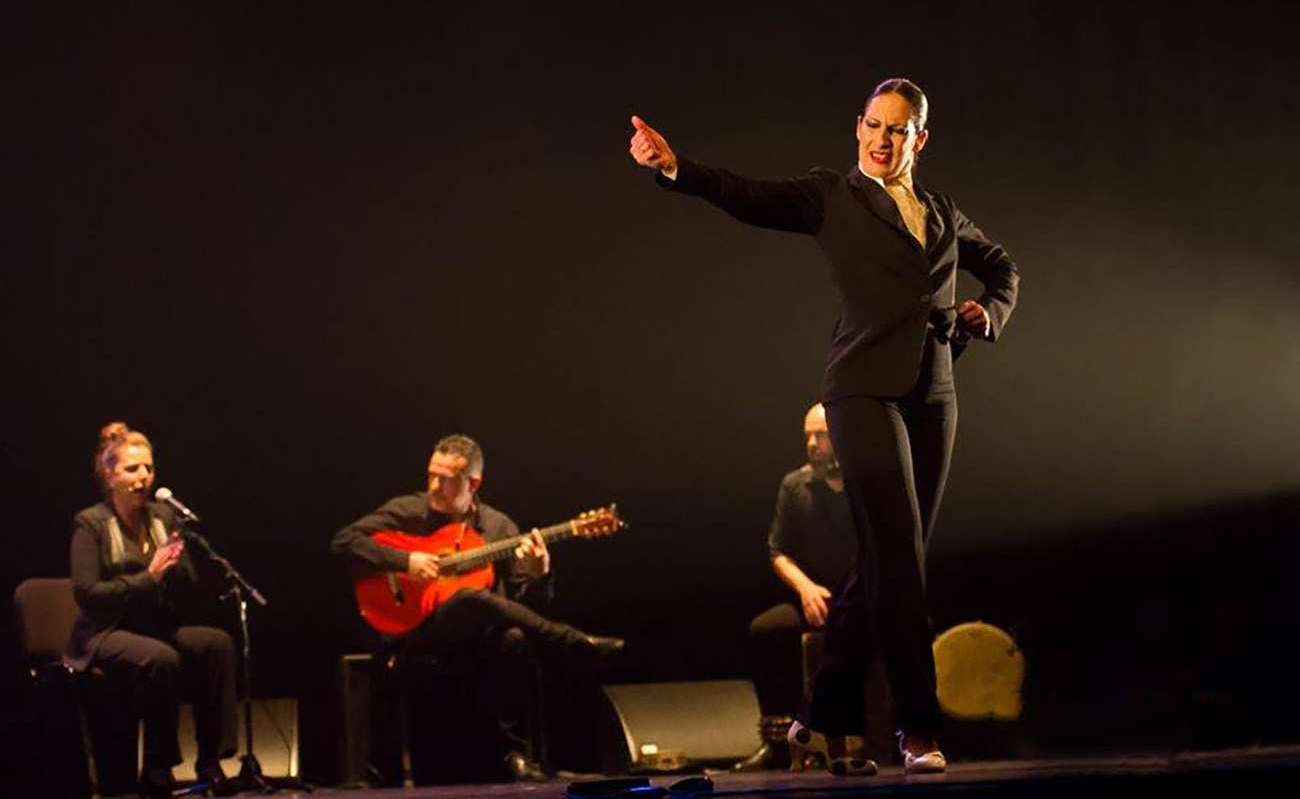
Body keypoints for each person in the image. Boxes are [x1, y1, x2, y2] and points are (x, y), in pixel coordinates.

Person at [629, 77, 1020, 774]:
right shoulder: (829, 196)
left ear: (918, 140)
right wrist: (674, 168)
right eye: (873, 125)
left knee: (888, 562)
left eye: (896, 130)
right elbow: (748, 195)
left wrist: (989, 312)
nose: (880, 139)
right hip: (861, 391)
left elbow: (1002, 266)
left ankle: (816, 717)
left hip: (934, 394)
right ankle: (918, 729)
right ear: (858, 127)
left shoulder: (941, 211)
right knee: (899, 558)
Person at [331, 433, 623, 783]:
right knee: (470, 598)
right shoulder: (408, 510)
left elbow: (524, 603)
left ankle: (514, 754)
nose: (434, 486)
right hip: (418, 630)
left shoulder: (498, 527)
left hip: (478, 639)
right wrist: (405, 560)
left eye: (446, 479)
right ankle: (569, 640)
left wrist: (539, 574)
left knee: (514, 634)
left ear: (473, 482)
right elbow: (345, 541)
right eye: (431, 474)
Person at [65, 422, 238, 796]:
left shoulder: (163, 517)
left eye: (148, 468)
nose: (143, 476)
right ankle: (159, 768)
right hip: (105, 632)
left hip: (154, 626)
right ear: (110, 476)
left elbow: (187, 585)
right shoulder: (91, 523)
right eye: (132, 469)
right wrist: (150, 576)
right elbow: (88, 594)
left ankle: (211, 761)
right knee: (160, 659)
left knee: (216, 644)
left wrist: (183, 567)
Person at [737, 402, 859, 771]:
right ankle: (779, 740)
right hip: (814, 598)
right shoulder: (795, 485)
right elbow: (777, 551)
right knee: (766, 631)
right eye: (808, 435)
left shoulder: (863, 485)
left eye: (821, 435)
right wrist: (805, 588)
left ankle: (882, 737)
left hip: (859, 596)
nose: (812, 443)